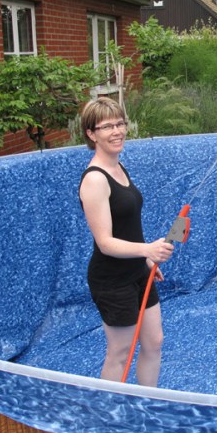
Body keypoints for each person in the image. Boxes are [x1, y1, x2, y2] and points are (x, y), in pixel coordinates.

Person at [78, 97, 174, 386]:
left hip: (137, 271)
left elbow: (128, 228)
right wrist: (147, 249)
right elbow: (106, 243)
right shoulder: (95, 180)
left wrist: (145, 260)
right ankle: (106, 411)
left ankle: (147, 402)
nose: (117, 131)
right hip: (112, 280)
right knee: (120, 352)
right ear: (91, 134)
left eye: (120, 123)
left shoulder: (119, 168)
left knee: (154, 341)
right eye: (107, 126)